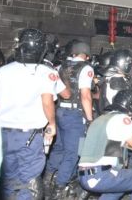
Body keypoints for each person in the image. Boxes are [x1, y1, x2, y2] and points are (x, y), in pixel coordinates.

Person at [0, 28, 58, 199]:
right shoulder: (45, 72)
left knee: (7, 178)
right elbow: (47, 102)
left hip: (3, 133)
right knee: (28, 181)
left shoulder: (3, 71)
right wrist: (52, 124)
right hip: (29, 137)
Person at [77, 89, 132, 200]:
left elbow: (124, 146)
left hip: (84, 175)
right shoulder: (121, 119)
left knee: (118, 189)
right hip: (100, 175)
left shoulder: (100, 119)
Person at [45, 40, 95, 199]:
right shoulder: (86, 68)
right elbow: (85, 96)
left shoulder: (60, 67)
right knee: (72, 153)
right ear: (86, 55)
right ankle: (60, 187)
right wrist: (89, 119)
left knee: (59, 148)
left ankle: (47, 179)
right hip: (74, 115)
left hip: (59, 111)